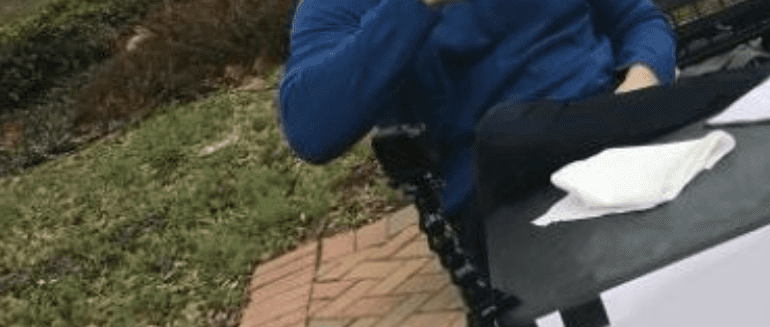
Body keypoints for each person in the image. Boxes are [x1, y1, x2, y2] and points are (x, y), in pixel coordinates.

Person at [277, 0, 679, 225]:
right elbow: (310, 128)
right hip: (508, 199)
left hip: (619, 132)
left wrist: (640, 86)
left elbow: (639, 20)